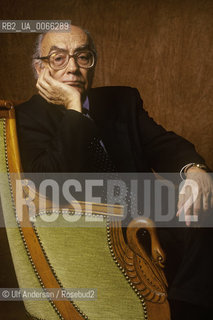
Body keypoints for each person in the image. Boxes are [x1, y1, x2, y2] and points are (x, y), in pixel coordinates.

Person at [15, 25, 213, 319]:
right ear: (38, 68)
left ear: (93, 62)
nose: (72, 67)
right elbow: (51, 181)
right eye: (58, 58)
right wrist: (73, 109)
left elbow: (163, 144)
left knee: (207, 205)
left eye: (82, 56)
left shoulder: (122, 101)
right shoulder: (25, 118)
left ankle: (183, 310)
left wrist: (196, 171)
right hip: (94, 235)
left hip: (149, 220)